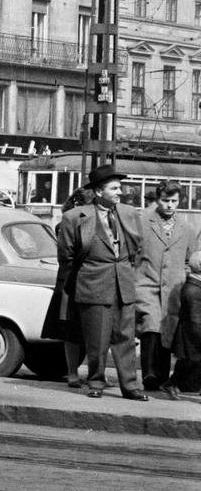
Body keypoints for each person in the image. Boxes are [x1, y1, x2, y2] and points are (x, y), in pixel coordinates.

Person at [57, 164, 147, 402]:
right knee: (96, 339)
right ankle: (95, 381)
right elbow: (66, 257)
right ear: (98, 192)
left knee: (126, 339)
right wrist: (86, 277)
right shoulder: (74, 217)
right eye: (114, 188)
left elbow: (137, 250)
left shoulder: (129, 213)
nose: (120, 192)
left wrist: (125, 272)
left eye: (120, 188)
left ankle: (130, 387)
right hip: (93, 285)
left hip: (123, 285)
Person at [133, 180, 198, 392]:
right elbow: (134, 252)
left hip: (173, 289)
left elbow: (191, 259)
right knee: (150, 325)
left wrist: (185, 277)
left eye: (174, 201)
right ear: (157, 199)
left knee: (166, 330)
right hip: (147, 282)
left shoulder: (187, 228)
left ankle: (161, 377)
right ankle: (150, 374)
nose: (169, 205)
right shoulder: (143, 222)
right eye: (165, 200)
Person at [40, 187, 90, 388]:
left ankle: (84, 373)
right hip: (70, 282)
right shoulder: (65, 225)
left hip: (84, 281)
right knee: (71, 331)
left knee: (88, 330)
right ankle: (72, 372)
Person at [168, 249, 201, 398]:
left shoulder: (192, 287)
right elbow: (195, 319)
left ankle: (171, 385)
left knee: (187, 365)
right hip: (192, 335)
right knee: (186, 365)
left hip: (190, 334)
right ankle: (170, 385)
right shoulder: (194, 291)